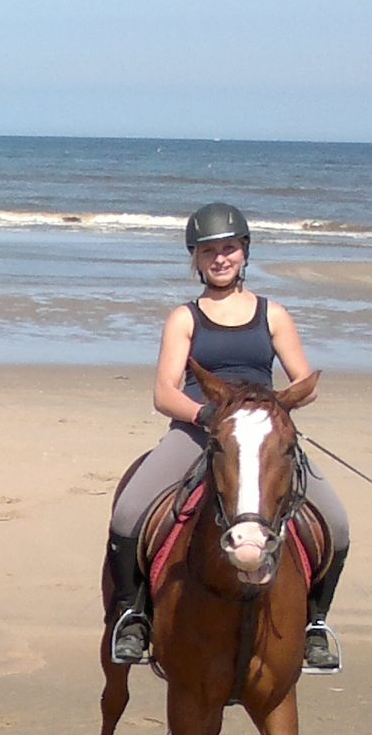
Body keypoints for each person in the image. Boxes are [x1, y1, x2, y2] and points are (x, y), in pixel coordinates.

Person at [106, 202, 349, 673]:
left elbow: (301, 380)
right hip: (200, 431)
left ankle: (315, 625)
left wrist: (272, 411)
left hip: (259, 434)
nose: (221, 258)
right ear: (195, 259)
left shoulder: (272, 314)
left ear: (245, 252)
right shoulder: (185, 318)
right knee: (128, 512)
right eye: (209, 251)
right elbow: (163, 392)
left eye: (230, 248)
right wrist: (209, 415)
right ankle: (134, 616)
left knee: (335, 523)